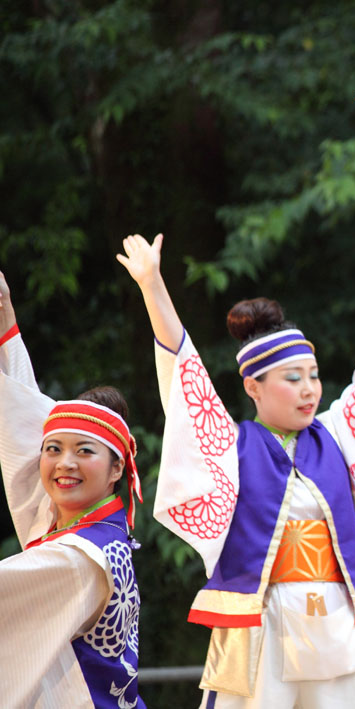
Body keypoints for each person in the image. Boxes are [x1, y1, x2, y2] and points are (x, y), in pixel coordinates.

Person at [117, 225, 355, 708]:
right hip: (259, 620)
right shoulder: (232, 445)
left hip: (335, 614)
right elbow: (185, 381)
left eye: (313, 376)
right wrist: (153, 286)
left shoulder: (337, 433)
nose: (310, 389)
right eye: (293, 378)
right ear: (253, 386)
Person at [0, 269, 144, 708]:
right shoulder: (70, 526)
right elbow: (19, 411)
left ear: (117, 467)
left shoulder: (80, 557)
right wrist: (5, 312)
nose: (64, 463)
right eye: (53, 449)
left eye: (84, 452)